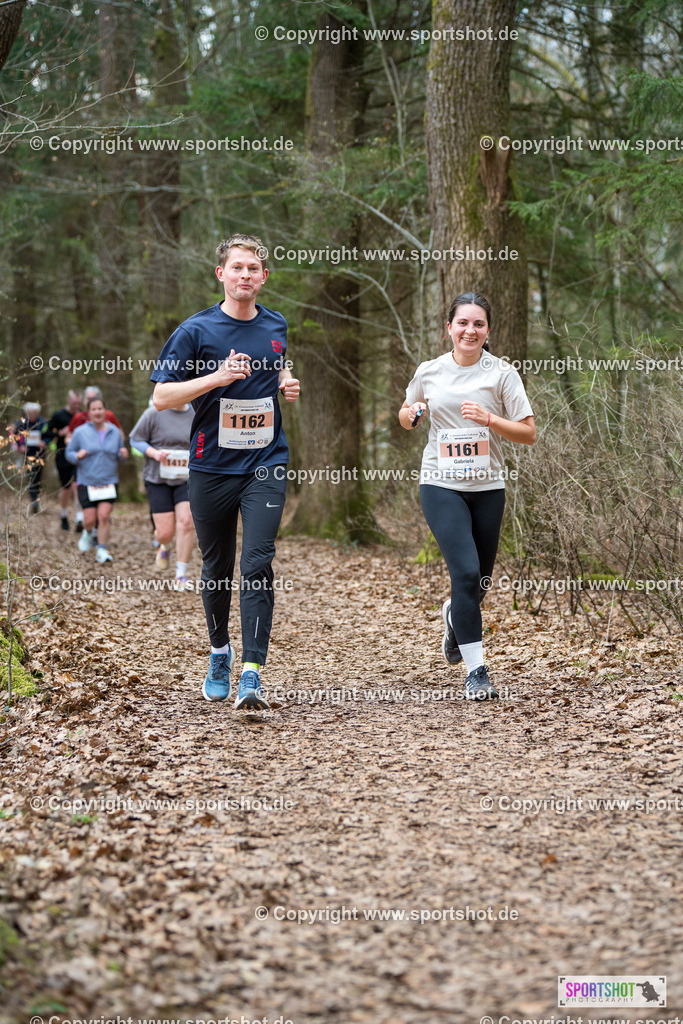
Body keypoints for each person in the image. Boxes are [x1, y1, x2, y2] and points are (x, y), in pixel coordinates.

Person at [151, 233, 300, 709]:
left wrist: (285, 383)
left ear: (264, 277)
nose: (245, 276)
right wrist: (216, 378)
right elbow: (161, 397)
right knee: (217, 569)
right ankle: (220, 652)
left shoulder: (275, 324)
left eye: (253, 269)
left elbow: (278, 364)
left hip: (265, 463)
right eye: (237, 268)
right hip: (211, 466)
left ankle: (252, 673)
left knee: (257, 564)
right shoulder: (195, 331)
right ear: (222, 274)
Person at [399, 291, 536, 700]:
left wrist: (491, 419)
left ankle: (454, 616)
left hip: (488, 486)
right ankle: (477, 673)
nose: (470, 330)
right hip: (440, 483)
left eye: (478, 324)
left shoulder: (502, 374)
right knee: (464, 573)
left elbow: (528, 432)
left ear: (488, 330)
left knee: (480, 581)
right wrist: (413, 415)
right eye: (462, 323)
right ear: (449, 328)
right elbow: (406, 415)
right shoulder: (430, 371)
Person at [130, 400, 195, 590]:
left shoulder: (196, 413)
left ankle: (181, 575)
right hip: (158, 479)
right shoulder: (153, 413)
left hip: (186, 478)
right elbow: (135, 439)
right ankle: (165, 546)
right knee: (165, 533)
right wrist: (153, 453)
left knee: (186, 521)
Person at [65, 396, 128, 563]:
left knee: (104, 516)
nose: (97, 412)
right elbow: (68, 454)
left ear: (105, 411)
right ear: (88, 412)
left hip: (108, 480)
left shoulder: (114, 432)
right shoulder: (80, 432)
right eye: (94, 409)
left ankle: (102, 550)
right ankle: (87, 532)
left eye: (100, 409)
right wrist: (76, 456)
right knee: (90, 520)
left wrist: (123, 455)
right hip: (87, 481)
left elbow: (120, 456)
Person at [46, 390, 83, 531]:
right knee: (66, 487)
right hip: (62, 455)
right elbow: (46, 432)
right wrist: (59, 433)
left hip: (79, 456)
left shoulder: (82, 415)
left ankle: (80, 518)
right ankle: (64, 515)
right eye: (74, 403)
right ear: (68, 401)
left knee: (77, 485)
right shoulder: (58, 415)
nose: (76, 406)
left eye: (78, 403)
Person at [11, 402, 48, 513]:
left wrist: (44, 442)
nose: (33, 415)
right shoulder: (22, 423)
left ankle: (36, 499)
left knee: (38, 478)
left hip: (40, 454)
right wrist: (20, 447)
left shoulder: (43, 422)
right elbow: (15, 437)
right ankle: (34, 502)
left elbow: (49, 435)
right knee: (31, 478)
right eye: (31, 413)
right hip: (27, 455)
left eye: (35, 413)